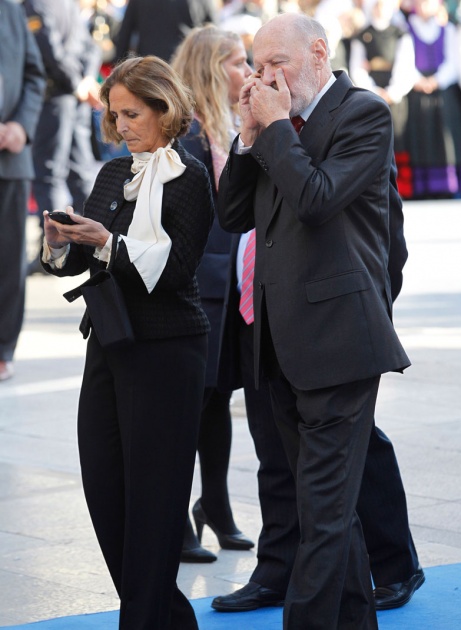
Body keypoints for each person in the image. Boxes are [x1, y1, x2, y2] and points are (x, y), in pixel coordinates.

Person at [217, 12, 411, 630]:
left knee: (322, 517)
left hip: (339, 342)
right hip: (276, 339)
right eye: (258, 66)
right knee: (328, 509)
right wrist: (250, 136)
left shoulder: (363, 112)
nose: (266, 78)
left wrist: (273, 127)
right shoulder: (275, 122)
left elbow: (319, 198)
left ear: (319, 52)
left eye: (279, 64)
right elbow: (231, 216)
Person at [40, 55, 214, 629]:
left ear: (166, 111)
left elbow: (172, 271)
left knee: (156, 504)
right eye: (114, 116)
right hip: (111, 345)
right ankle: (166, 617)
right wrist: (63, 243)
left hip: (168, 352)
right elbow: (83, 260)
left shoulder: (189, 178)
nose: (120, 127)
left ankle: (143, 621)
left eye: (132, 114)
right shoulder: (113, 173)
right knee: (105, 493)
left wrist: (107, 241)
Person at [211, 165, 425, 612]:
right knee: (273, 447)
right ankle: (277, 567)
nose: (249, 90)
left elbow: (388, 235)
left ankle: (393, 565)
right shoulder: (243, 137)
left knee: (354, 450)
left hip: (328, 322)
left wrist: (372, 305)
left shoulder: (344, 124)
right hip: (258, 314)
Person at [171, 24, 254, 562]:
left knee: (218, 399)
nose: (248, 73)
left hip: (231, 281)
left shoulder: (231, 125)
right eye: (239, 62)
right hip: (198, 282)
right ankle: (176, 518)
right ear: (210, 67)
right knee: (188, 403)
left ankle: (216, 508)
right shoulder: (185, 133)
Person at [23, 0, 102, 274]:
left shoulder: (37, 4)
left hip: (56, 97)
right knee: (79, 171)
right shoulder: (65, 3)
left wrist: (77, 81)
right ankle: (92, 243)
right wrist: (85, 79)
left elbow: (49, 50)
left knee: (50, 174)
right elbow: (89, 47)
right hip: (73, 97)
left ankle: (61, 247)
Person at [0, 0, 45, 382]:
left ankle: (2, 347)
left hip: (9, 158)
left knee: (8, 256)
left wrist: (20, 126)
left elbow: (34, 75)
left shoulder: (11, 10)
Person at [349, 0, 416, 198]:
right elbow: (357, 68)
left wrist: (393, 92)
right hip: (372, 97)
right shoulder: (362, 35)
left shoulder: (400, 33)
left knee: (399, 139)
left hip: (395, 97)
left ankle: (402, 187)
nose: (379, 7)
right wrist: (373, 91)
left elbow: (406, 66)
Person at [405, 0, 461, 198]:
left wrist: (436, 80)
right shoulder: (406, 28)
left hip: (442, 92)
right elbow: (405, 60)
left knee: (445, 138)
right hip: (416, 92)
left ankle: (447, 186)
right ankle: (423, 186)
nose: (424, 6)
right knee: (420, 137)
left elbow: (454, 63)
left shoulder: (447, 29)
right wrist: (418, 81)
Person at [114, 0, 218, 62]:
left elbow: (124, 35)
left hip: (150, 66)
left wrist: (118, 68)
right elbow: (213, 34)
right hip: (187, 65)